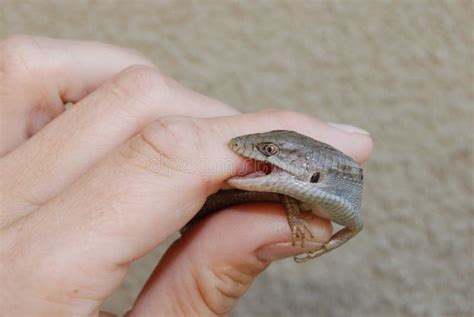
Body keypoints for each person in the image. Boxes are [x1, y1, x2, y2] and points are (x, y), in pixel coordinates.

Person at [0, 36, 373, 316]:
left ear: (312, 171)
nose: (250, 152)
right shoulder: (296, 184)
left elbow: (351, 225)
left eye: (269, 152)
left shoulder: (329, 192)